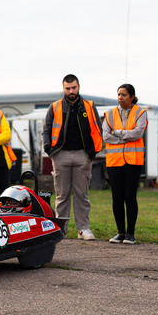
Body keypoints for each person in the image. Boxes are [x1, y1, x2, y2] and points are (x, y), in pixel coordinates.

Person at [42, 74, 102, 240]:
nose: (71, 91)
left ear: (79, 87)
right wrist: (50, 150)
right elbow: (46, 130)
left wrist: (92, 152)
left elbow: (98, 129)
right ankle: (61, 229)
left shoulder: (89, 106)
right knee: (62, 195)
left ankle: (83, 229)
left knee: (82, 195)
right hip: (60, 155)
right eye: (68, 88)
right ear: (63, 89)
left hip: (83, 155)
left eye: (73, 87)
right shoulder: (55, 107)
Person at [103, 84, 147, 245]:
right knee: (117, 197)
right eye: (119, 94)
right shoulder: (109, 114)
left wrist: (118, 133)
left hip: (133, 161)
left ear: (132, 97)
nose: (120, 97)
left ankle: (130, 234)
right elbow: (106, 136)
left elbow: (138, 133)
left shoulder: (141, 112)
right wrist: (126, 137)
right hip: (114, 162)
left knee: (130, 197)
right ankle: (120, 232)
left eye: (124, 95)